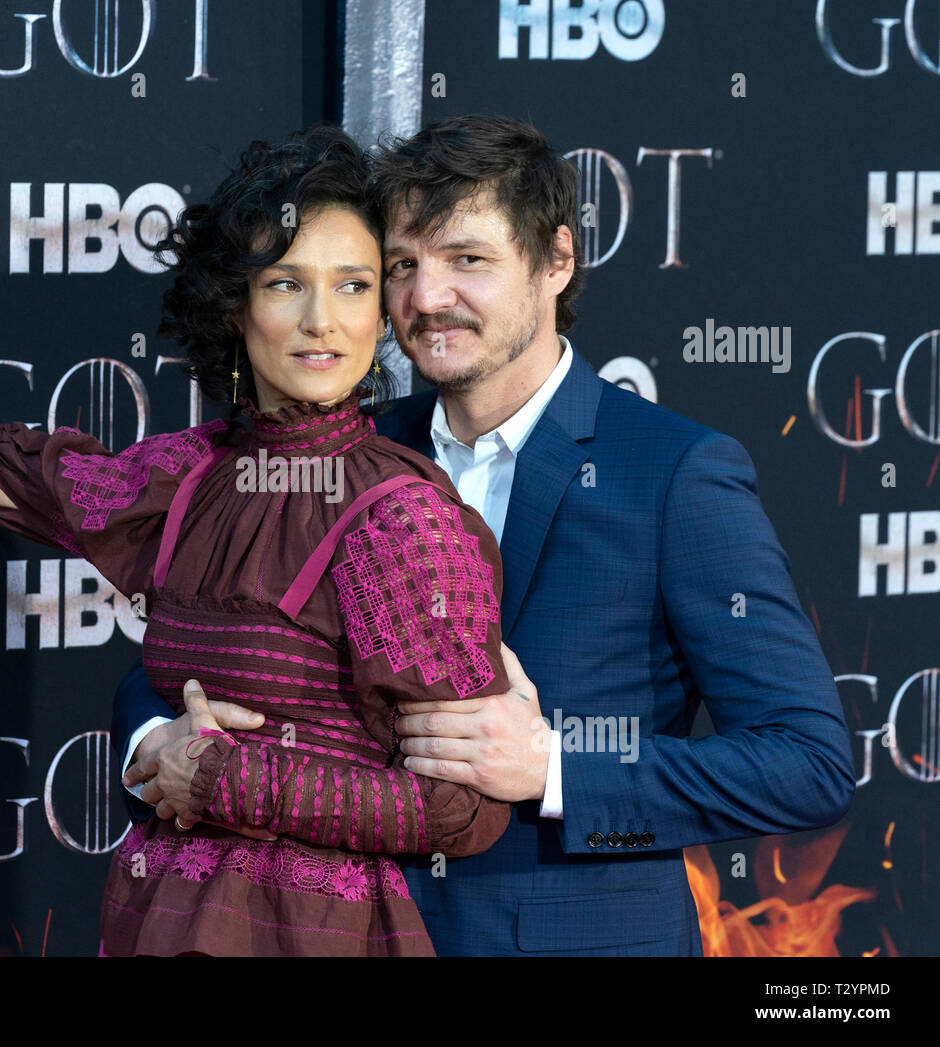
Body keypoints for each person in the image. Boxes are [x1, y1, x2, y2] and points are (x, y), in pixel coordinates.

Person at [0, 126, 516, 956]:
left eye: (353, 285)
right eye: (284, 283)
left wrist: (230, 779)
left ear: (381, 309)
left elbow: (461, 810)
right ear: (236, 304)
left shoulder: (402, 518)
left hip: (312, 936)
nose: (319, 320)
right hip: (158, 917)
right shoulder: (188, 475)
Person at [114, 113, 857, 956]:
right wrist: (159, 738)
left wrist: (552, 768)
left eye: (468, 259)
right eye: (402, 265)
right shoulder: (344, 449)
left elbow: (808, 763)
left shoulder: (676, 473)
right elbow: (173, 658)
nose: (427, 298)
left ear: (556, 261)